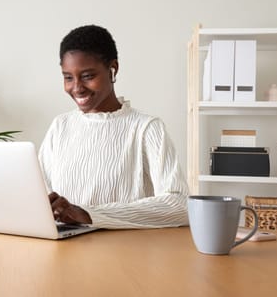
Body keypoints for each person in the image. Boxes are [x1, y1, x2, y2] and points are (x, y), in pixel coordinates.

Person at [39, 24, 189, 229]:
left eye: (88, 76)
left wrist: (88, 214)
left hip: (124, 253)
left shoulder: (146, 128)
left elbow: (179, 205)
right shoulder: (60, 127)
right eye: (68, 77)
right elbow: (41, 197)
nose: (76, 88)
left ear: (113, 69)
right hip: (64, 252)